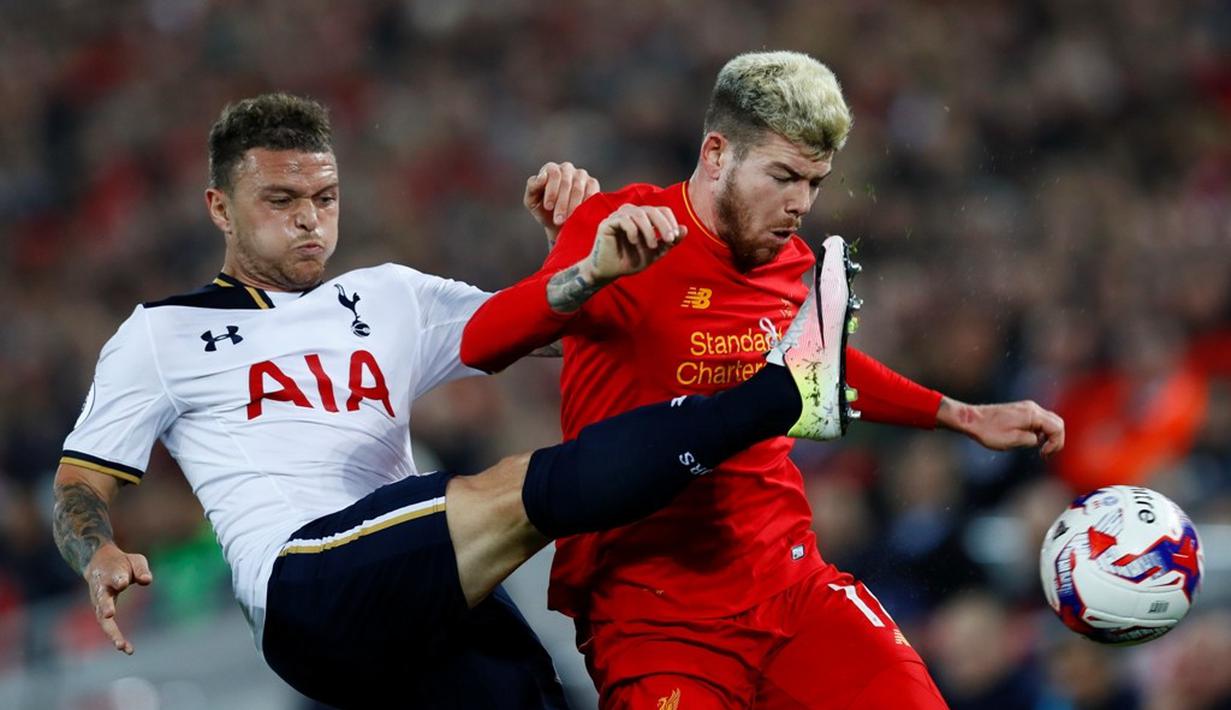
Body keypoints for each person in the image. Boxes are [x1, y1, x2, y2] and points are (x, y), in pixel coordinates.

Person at [51, 92, 863, 709]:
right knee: (508, 491)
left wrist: (577, 256)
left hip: (423, 587)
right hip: (307, 587)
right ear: (220, 208)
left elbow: (542, 324)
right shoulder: (160, 334)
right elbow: (80, 485)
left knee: (534, 690)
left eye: (324, 199)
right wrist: (98, 553)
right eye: (281, 202)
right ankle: (786, 390)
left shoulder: (389, 296)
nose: (309, 222)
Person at [461, 51, 1066, 709]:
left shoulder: (787, 259)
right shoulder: (622, 228)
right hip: (651, 613)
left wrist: (960, 415)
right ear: (716, 153)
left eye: (815, 183)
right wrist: (591, 273)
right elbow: (482, 342)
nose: (799, 204)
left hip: (789, 587)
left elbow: (813, 368)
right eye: (782, 177)